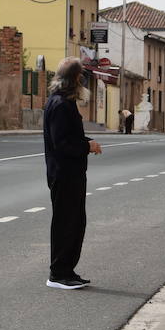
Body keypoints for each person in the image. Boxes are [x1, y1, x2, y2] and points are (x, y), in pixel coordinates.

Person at [43, 56, 103, 289]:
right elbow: (62, 143)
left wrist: (88, 142)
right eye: (81, 78)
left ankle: (67, 270)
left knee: (75, 223)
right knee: (65, 223)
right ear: (75, 79)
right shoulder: (59, 104)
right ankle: (58, 273)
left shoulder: (63, 102)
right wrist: (86, 146)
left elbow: (70, 137)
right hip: (64, 173)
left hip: (72, 172)